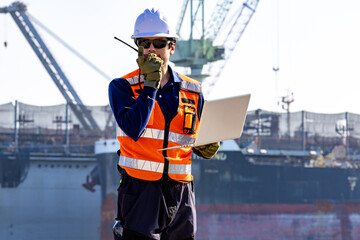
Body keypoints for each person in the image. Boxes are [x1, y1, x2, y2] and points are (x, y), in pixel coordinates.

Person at [108, 8, 219, 240]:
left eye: (158, 42)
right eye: (144, 43)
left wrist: (205, 146)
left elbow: (187, 137)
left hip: (181, 193)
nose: (151, 49)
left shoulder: (194, 91)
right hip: (140, 192)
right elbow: (133, 128)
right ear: (136, 46)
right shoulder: (122, 87)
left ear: (172, 46)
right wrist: (150, 84)